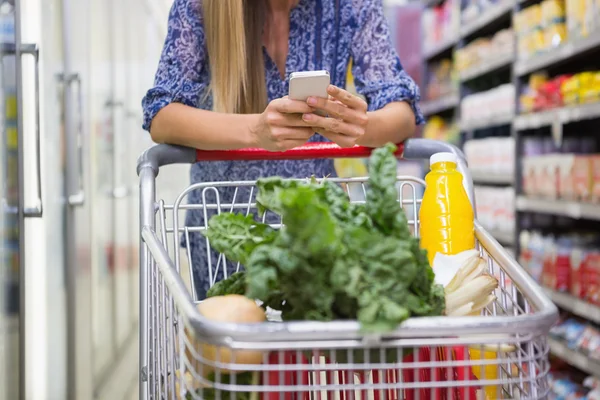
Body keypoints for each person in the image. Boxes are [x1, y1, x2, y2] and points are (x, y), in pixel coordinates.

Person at [142, 0, 424, 298]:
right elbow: (161, 116)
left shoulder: (353, 5)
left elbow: (402, 112)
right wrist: (254, 131)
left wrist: (361, 126)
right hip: (227, 241)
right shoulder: (200, 5)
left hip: (318, 237)